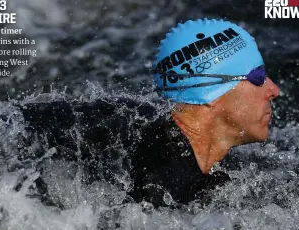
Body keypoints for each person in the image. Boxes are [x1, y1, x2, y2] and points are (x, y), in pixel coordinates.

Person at [18, 18, 280, 208]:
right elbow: (10, 126)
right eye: (258, 77)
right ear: (210, 94)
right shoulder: (162, 182)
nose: (273, 89)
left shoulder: (142, 118)